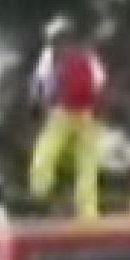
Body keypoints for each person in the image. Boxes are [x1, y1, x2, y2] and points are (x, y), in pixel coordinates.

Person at [27, 16, 107, 218]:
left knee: (46, 152)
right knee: (87, 164)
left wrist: (36, 104)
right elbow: (100, 83)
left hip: (61, 113)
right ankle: (88, 212)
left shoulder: (50, 55)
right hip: (87, 115)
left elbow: (40, 82)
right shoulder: (88, 54)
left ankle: (41, 192)